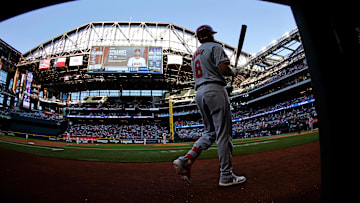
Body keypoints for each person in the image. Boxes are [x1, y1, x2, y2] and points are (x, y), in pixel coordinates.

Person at [173, 25, 246, 187]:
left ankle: (186, 159)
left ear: (199, 38)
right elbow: (221, 68)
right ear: (211, 35)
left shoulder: (195, 55)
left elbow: (209, 73)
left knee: (210, 132)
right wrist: (233, 72)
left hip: (200, 93)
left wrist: (224, 85)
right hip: (214, 90)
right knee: (223, 136)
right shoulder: (215, 46)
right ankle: (226, 176)